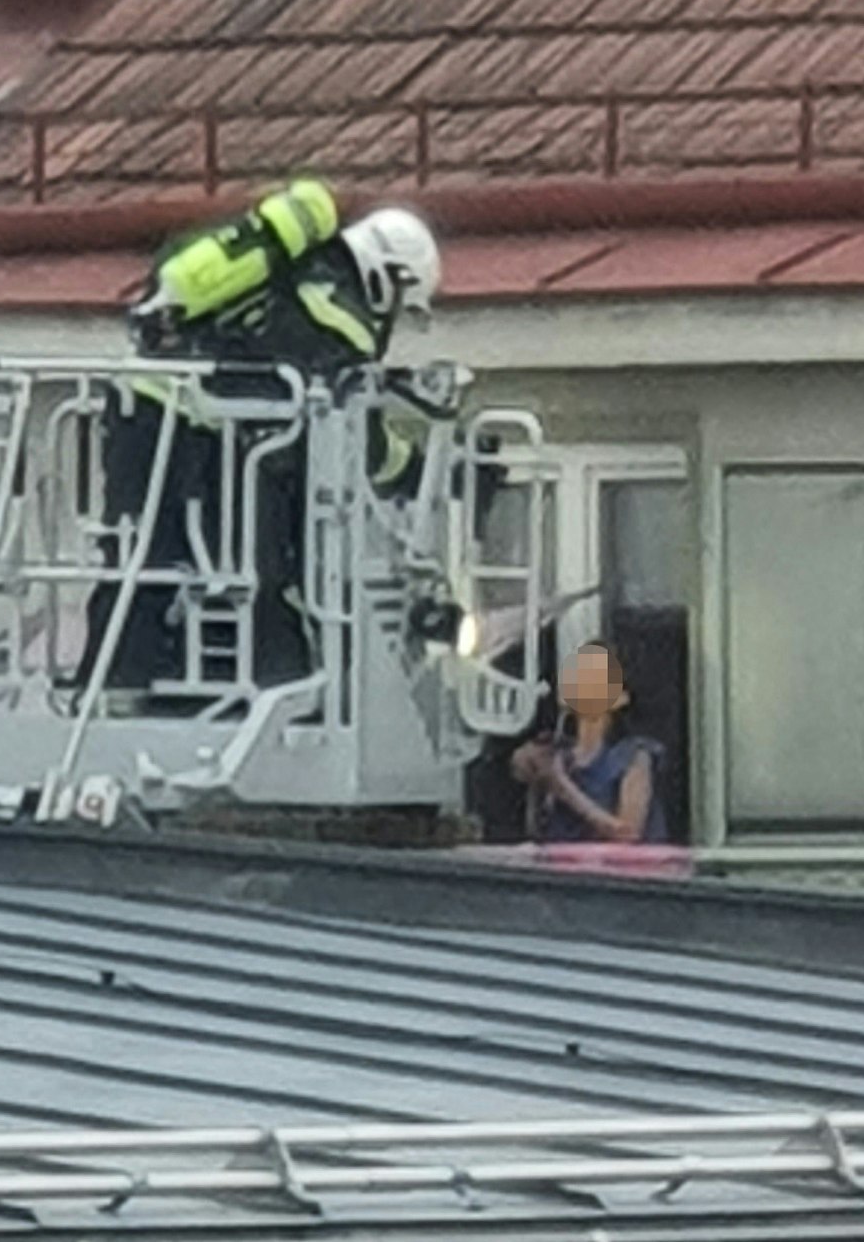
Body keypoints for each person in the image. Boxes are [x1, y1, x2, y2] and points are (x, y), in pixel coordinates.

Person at [87, 179, 443, 694]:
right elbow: (355, 434)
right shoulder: (341, 322)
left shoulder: (296, 277)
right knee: (240, 570)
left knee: (145, 561)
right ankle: (265, 679)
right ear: (390, 276)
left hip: (148, 410)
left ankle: (118, 681)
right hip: (186, 428)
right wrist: (417, 468)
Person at [512, 642, 668, 845]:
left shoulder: (634, 756)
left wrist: (562, 788)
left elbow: (628, 834)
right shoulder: (557, 753)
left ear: (620, 698)